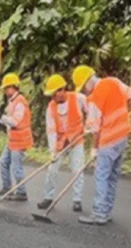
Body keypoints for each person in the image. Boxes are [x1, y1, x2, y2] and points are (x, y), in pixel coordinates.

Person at [72, 65, 131, 225]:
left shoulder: (95, 97)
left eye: (84, 88)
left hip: (108, 140)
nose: (85, 91)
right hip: (122, 136)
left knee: (102, 176)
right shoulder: (113, 81)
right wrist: (122, 111)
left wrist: (94, 149)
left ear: (88, 81)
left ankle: (99, 213)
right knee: (113, 177)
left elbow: (95, 128)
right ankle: (106, 211)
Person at [39, 74, 88, 212]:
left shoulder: (78, 99)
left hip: (77, 140)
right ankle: (48, 197)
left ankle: (77, 200)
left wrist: (90, 125)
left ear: (62, 90)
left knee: (77, 170)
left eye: (55, 92)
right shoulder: (51, 107)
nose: (54, 96)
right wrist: (53, 151)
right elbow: (51, 131)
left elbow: (92, 111)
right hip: (61, 142)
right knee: (52, 169)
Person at [0, 72, 33, 201]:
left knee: (16, 166)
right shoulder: (12, 101)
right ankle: (7, 188)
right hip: (12, 139)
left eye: (6, 88)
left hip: (20, 139)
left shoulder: (20, 102)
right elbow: (8, 121)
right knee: (3, 162)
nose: (5, 91)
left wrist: (2, 117)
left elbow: (15, 121)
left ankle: (22, 192)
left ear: (13, 87)